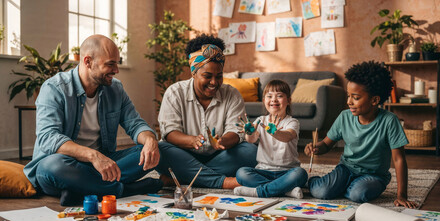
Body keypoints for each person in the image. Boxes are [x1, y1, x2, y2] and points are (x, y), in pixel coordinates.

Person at [24, 35, 163, 206]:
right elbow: (48, 137)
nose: (116, 70)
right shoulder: (54, 88)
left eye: (117, 63)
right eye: (110, 64)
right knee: (51, 167)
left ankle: (83, 189)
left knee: (154, 150)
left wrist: (149, 140)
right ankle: (125, 190)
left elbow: (135, 123)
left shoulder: (116, 89)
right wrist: (93, 156)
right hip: (68, 164)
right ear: (88, 62)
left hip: (104, 164)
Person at [305, 61, 417, 208]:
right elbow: (326, 144)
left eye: (355, 98)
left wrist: (401, 195)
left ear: (375, 100)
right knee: (321, 191)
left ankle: (342, 187)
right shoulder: (344, 117)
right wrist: (316, 148)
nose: (349, 102)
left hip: (374, 175)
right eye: (348, 96)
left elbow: (399, 159)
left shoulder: (389, 121)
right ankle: (317, 182)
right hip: (346, 169)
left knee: (358, 195)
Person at [156, 34, 257, 189]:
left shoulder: (232, 94)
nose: (214, 82)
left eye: (219, 76)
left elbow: (236, 132)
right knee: (160, 149)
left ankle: (182, 178)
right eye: (207, 76)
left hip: (220, 156)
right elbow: (169, 132)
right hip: (184, 155)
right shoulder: (174, 92)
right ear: (193, 72)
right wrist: (192, 141)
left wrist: (222, 142)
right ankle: (221, 181)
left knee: (250, 151)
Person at [233, 80, 307, 198]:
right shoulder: (260, 120)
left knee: (301, 174)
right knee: (241, 173)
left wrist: (275, 132)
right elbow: (251, 140)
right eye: (269, 96)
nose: (274, 99)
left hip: (287, 172)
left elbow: (288, 136)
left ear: (288, 100)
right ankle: (285, 190)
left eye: (279, 96)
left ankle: (259, 191)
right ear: (264, 101)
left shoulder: (292, 122)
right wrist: (249, 133)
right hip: (263, 171)